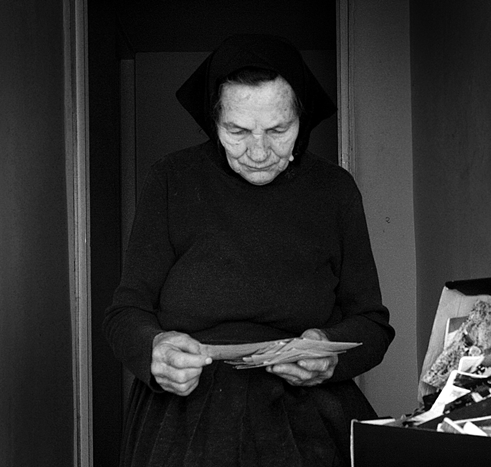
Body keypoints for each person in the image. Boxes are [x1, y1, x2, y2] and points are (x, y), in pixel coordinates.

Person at [103, 34, 395, 467]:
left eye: (278, 130)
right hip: (184, 421)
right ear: (213, 121)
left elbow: (372, 324)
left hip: (309, 420)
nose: (258, 152)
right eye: (237, 131)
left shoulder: (334, 190)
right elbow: (125, 313)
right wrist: (154, 349)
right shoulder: (170, 179)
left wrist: (328, 351)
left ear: (302, 119)